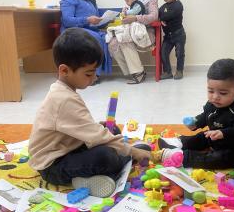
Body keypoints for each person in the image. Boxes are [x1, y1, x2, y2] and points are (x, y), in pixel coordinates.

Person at [28, 28, 150, 198]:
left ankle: (121, 159)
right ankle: (117, 164)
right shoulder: (63, 99)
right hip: (52, 166)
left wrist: (100, 130)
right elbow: (96, 137)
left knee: (111, 130)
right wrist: (132, 152)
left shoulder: (65, 91)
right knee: (105, 157)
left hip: (68, 149)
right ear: (64, 71)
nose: (93, 78)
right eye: (89, 73)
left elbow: (83, 129)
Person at [156, 59, 234, 169]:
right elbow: (207, 115)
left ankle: (182, 157)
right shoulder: (213, 102)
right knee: (203, 136)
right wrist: (196, 122)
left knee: (215, 159)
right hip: (217, 140)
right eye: (210, 91)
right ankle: (180, 143)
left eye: (223, 93)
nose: (215, 97)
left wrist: (224, 133)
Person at [60, 0, 111, 84]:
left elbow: (95, 19)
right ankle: (90, 75)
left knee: (105, 37)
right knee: (95, 37)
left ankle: (96, 72)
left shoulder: (90, 0)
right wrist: (87, 20)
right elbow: (67, 20)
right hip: (72, 31)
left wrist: (106, 20)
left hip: (89, 29)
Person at [108, 0, 158, 84]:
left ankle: (138, 74)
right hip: (131, 30)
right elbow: (128, 15)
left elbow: (154, 16)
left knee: (124, 39)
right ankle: (133, 72)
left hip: (146, 32)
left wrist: (136, 18)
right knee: (112, 42)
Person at [159, 0, 186, 80]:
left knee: (179, 53)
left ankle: (179, 71)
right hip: (168, 36)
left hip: (178, 34)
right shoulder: (162, 7)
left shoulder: (178, 4)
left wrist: (163, 18)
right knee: (163, 52)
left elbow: (172, 14)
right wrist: (160, 19)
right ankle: (167, 72)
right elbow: (157, 15)